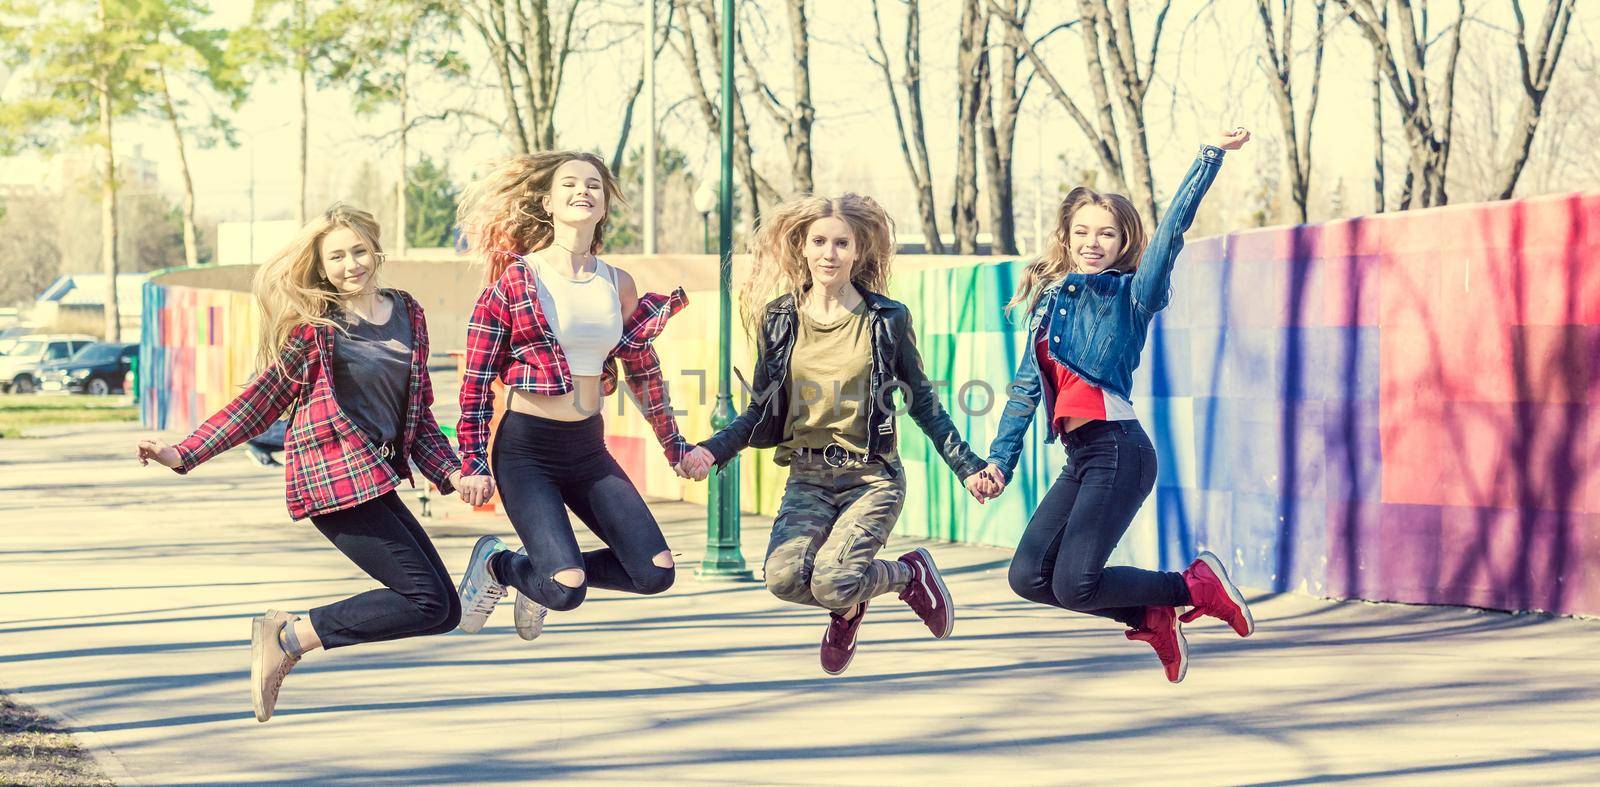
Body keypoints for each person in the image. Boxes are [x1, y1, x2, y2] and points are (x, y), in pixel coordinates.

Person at [136, 205, 463, 721]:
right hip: (331, 481)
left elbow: (419, 413)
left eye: (358, 250)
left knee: (444, 611)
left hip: (376, 479)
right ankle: (289, 636)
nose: (351, 264)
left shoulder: (408, 312)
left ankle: (287, 636)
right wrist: (184, 451)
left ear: (376, 249)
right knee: (425, 601)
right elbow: (259, 403)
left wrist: (452, 470)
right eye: (336, 256)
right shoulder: (316, 330)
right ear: (321, 265)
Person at [678, 193, 998, 675]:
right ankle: (854, 605)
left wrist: (968, 467)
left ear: (858, 251)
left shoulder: (885, 319)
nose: (830, 253)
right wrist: (711, 451)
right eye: (820, 241)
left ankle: (910, 574)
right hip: (807, 476)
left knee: (831, 580)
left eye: (841, 243)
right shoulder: (780, 318)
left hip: (872, 478)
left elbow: (923, 402)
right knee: (783, 579)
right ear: (802, 248)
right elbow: (758, 410)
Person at [980, 130, 1257, 683]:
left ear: (1123, 240)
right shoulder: (1050, 302)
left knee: (1077, 582)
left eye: (1106, 233)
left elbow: (1172, 233)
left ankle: (1193, 585)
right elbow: (1025, 389)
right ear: (1065, 236)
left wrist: (1209, 157)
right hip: (1082, 457)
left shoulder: (1133, 295)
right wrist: (998, 462)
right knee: (1031, 577)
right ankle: (1153, 615)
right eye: (1082, 231)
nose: (1092, 241)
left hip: (1119, 450)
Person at [452, 152, 690, 643]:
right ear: (548, 202)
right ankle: (500, 566)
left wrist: (677, 447)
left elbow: (645, 376)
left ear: (603, 205)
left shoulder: (618, 283)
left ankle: (536, 572)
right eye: (570, 184)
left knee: (655, 572)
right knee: (565, 590)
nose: (583, 191)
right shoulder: (519, 280)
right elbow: (476, 382)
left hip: (588, 449)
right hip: (526, 450)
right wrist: (473, 463)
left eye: (594, 186)